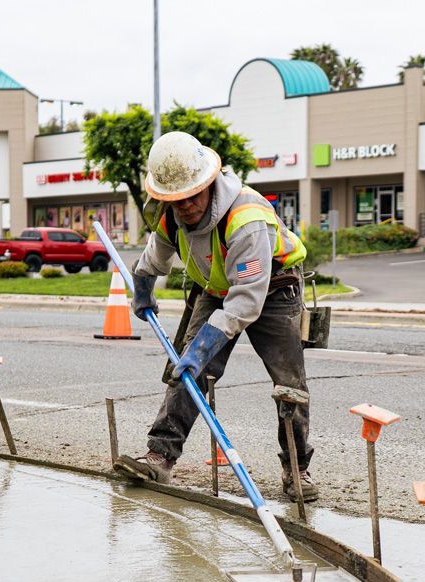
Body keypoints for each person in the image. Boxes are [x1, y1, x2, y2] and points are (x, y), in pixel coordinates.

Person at [114, 131, 317, 502]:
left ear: (208, 182)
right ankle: (159, 456)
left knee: (290, 385)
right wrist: (143, 287)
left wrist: (205, 345)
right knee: (186, 370)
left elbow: (245, 302)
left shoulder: (247, 218)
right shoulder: (171, 217)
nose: (185, 206)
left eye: (192, 196)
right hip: (216, 286)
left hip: (273, 289)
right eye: (176, 200)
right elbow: (153, 259)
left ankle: (297, 470)